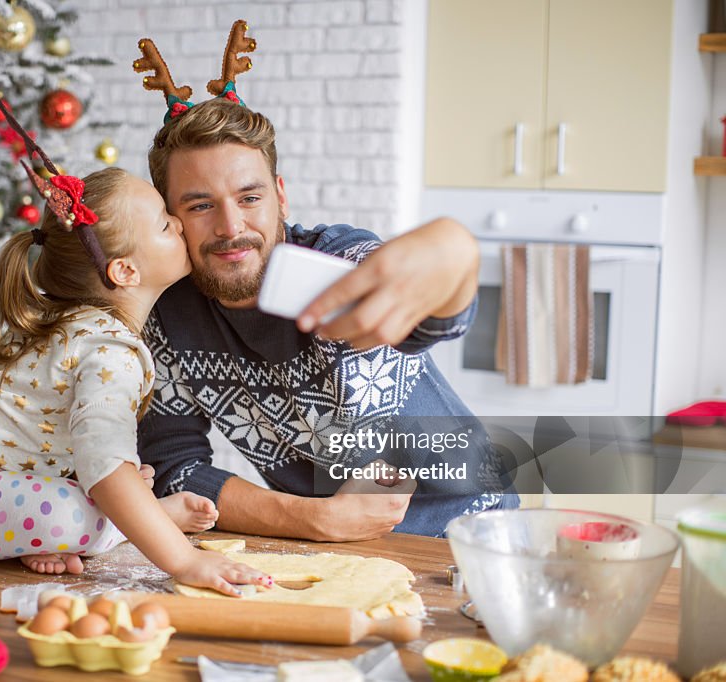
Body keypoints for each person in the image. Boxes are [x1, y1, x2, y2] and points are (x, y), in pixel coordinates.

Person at [135, 23, 517, 540]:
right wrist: (310, 519)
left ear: (281, 198)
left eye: (249, 198)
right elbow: (173, 465)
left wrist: (453, 250)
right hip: (338, 548)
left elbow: (430, 319)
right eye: (201, 205)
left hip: (473, 531)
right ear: (172, 215)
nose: (230, 228)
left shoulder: (339, 261)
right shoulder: (166, 315)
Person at [0, 99, 270, 596]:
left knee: (115, 485)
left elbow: (64, 446)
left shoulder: (84, 327)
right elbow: (105, 469)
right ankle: (137, 523)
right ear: (124, 271)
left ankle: (87, 525)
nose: (183, 225)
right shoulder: (109, 352)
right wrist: (185, 561)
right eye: (167, 224)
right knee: (84, 502)